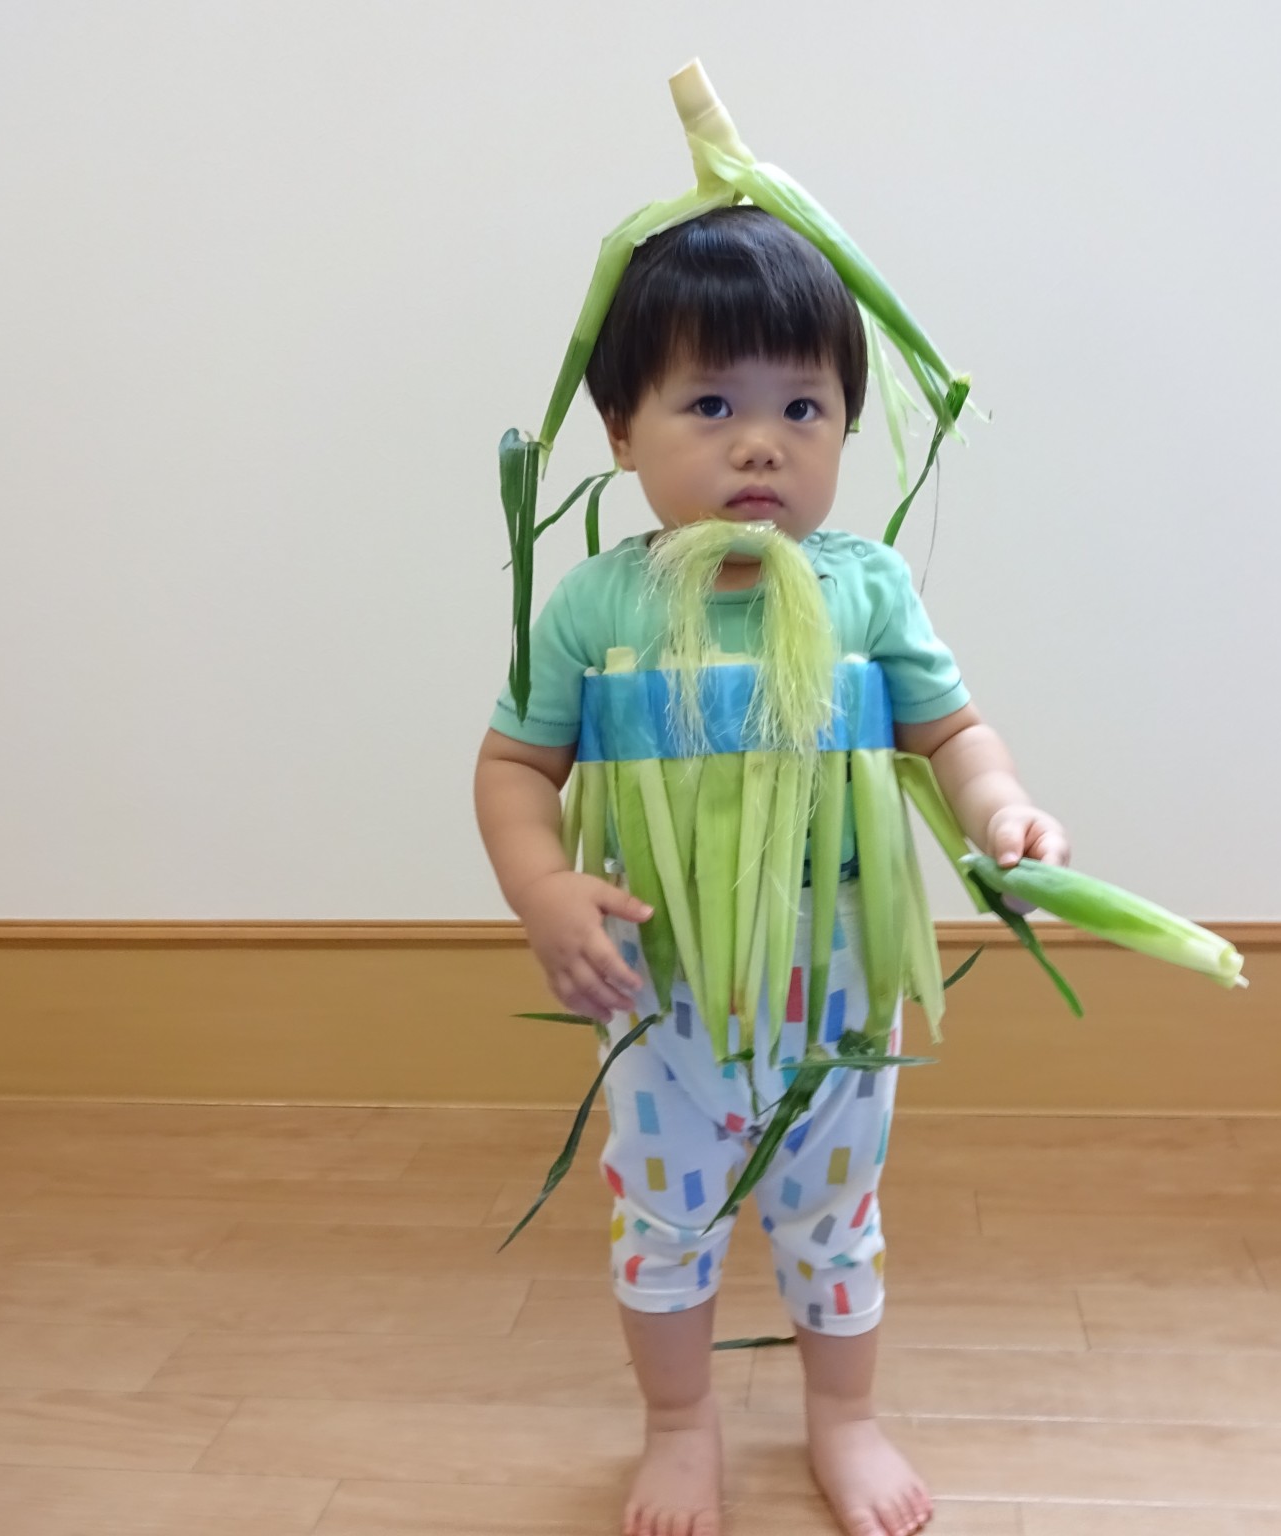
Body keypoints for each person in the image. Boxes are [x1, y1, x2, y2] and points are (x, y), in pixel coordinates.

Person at [474, 205, 1069, 1536]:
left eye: (804, 407)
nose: (762, 442)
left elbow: (952, 735)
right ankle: (679, 1423)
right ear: (620, 431)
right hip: (660, 993)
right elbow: (514, 767)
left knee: (835, 1215)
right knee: (662, 1221)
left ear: (847, 426)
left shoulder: (865, 590)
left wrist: (1004, 812)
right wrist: (542, 889)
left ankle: (844, 1416)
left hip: (841, 992)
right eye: (711, 405)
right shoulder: (600, 606)